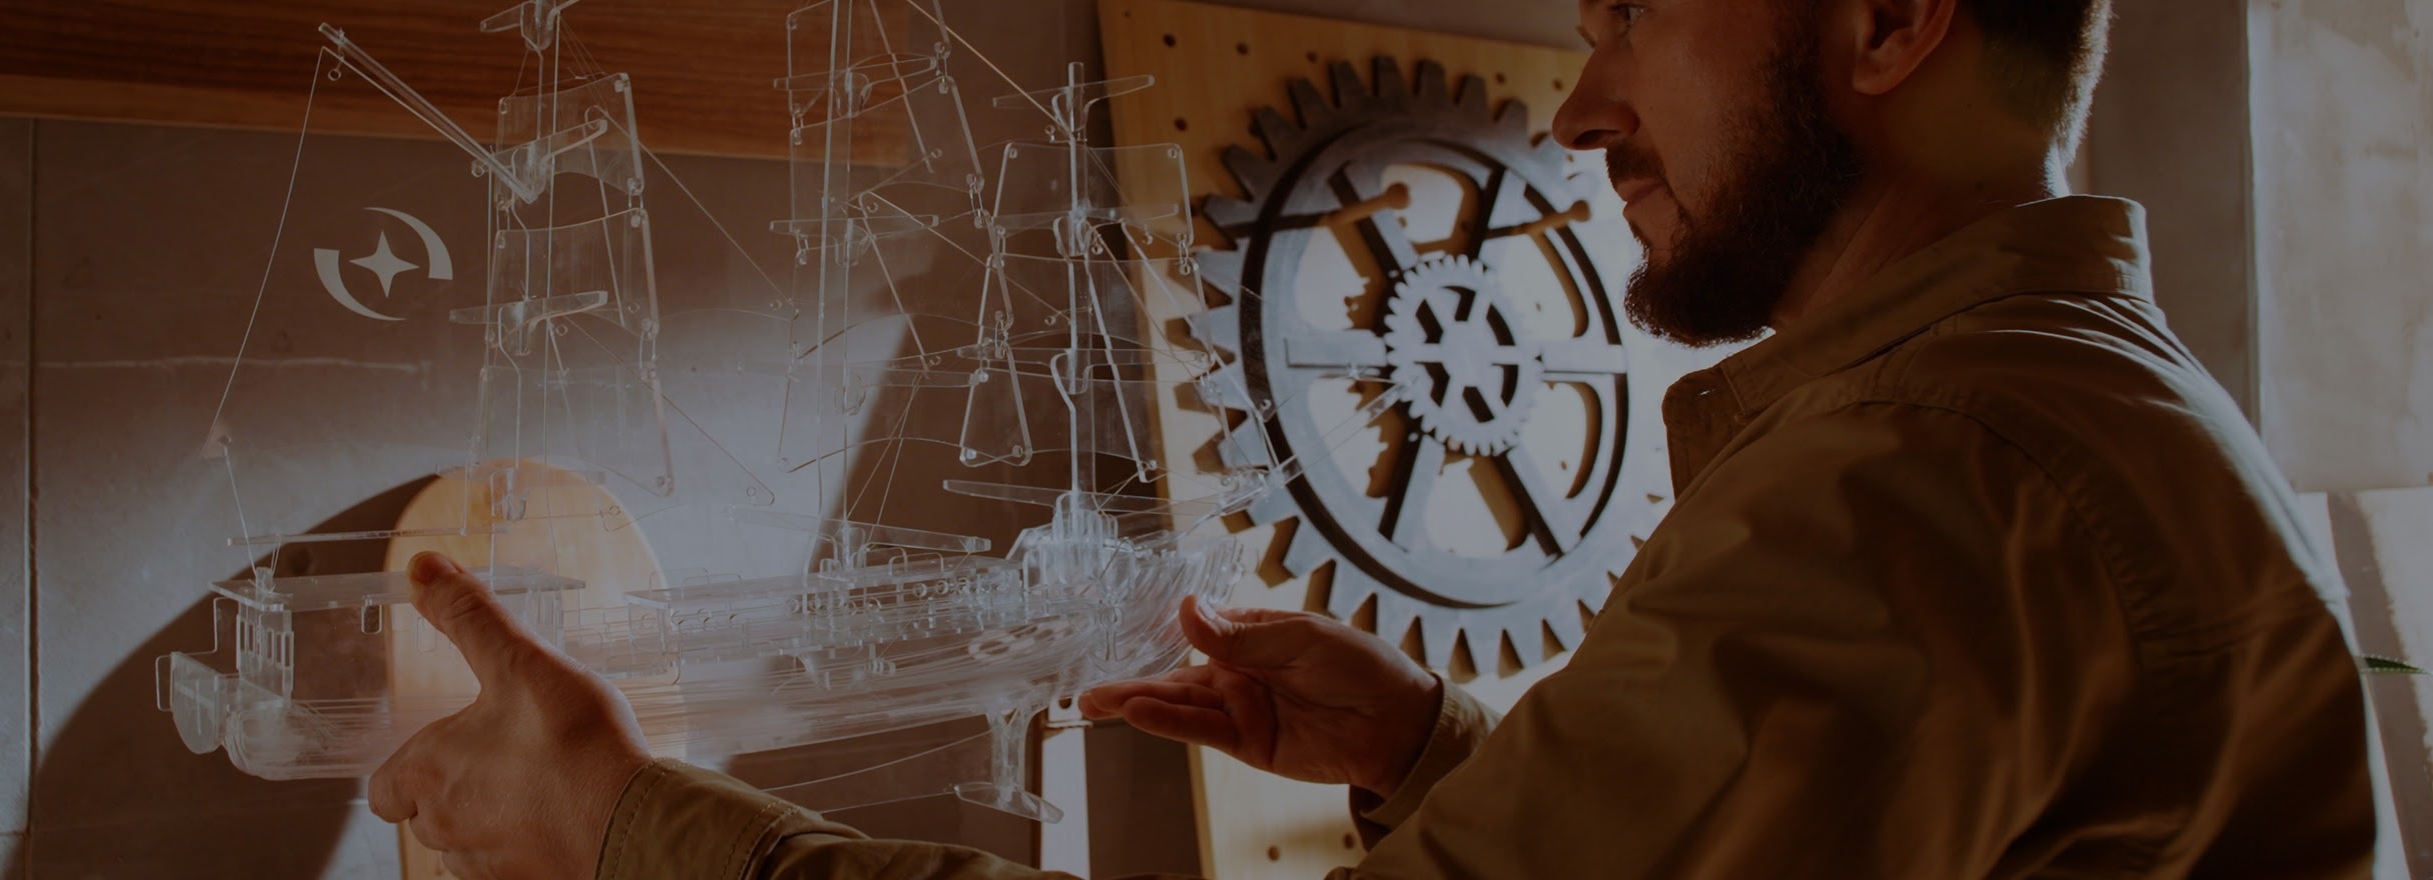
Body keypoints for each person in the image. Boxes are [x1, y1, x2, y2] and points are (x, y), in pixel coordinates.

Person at [363, 0, 2382, 876]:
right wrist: (1432, 759)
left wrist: (628, 822)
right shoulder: (2063, 412)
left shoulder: (1932, 487)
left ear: (1886, 26)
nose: (1581, 113)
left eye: (1633, 15)